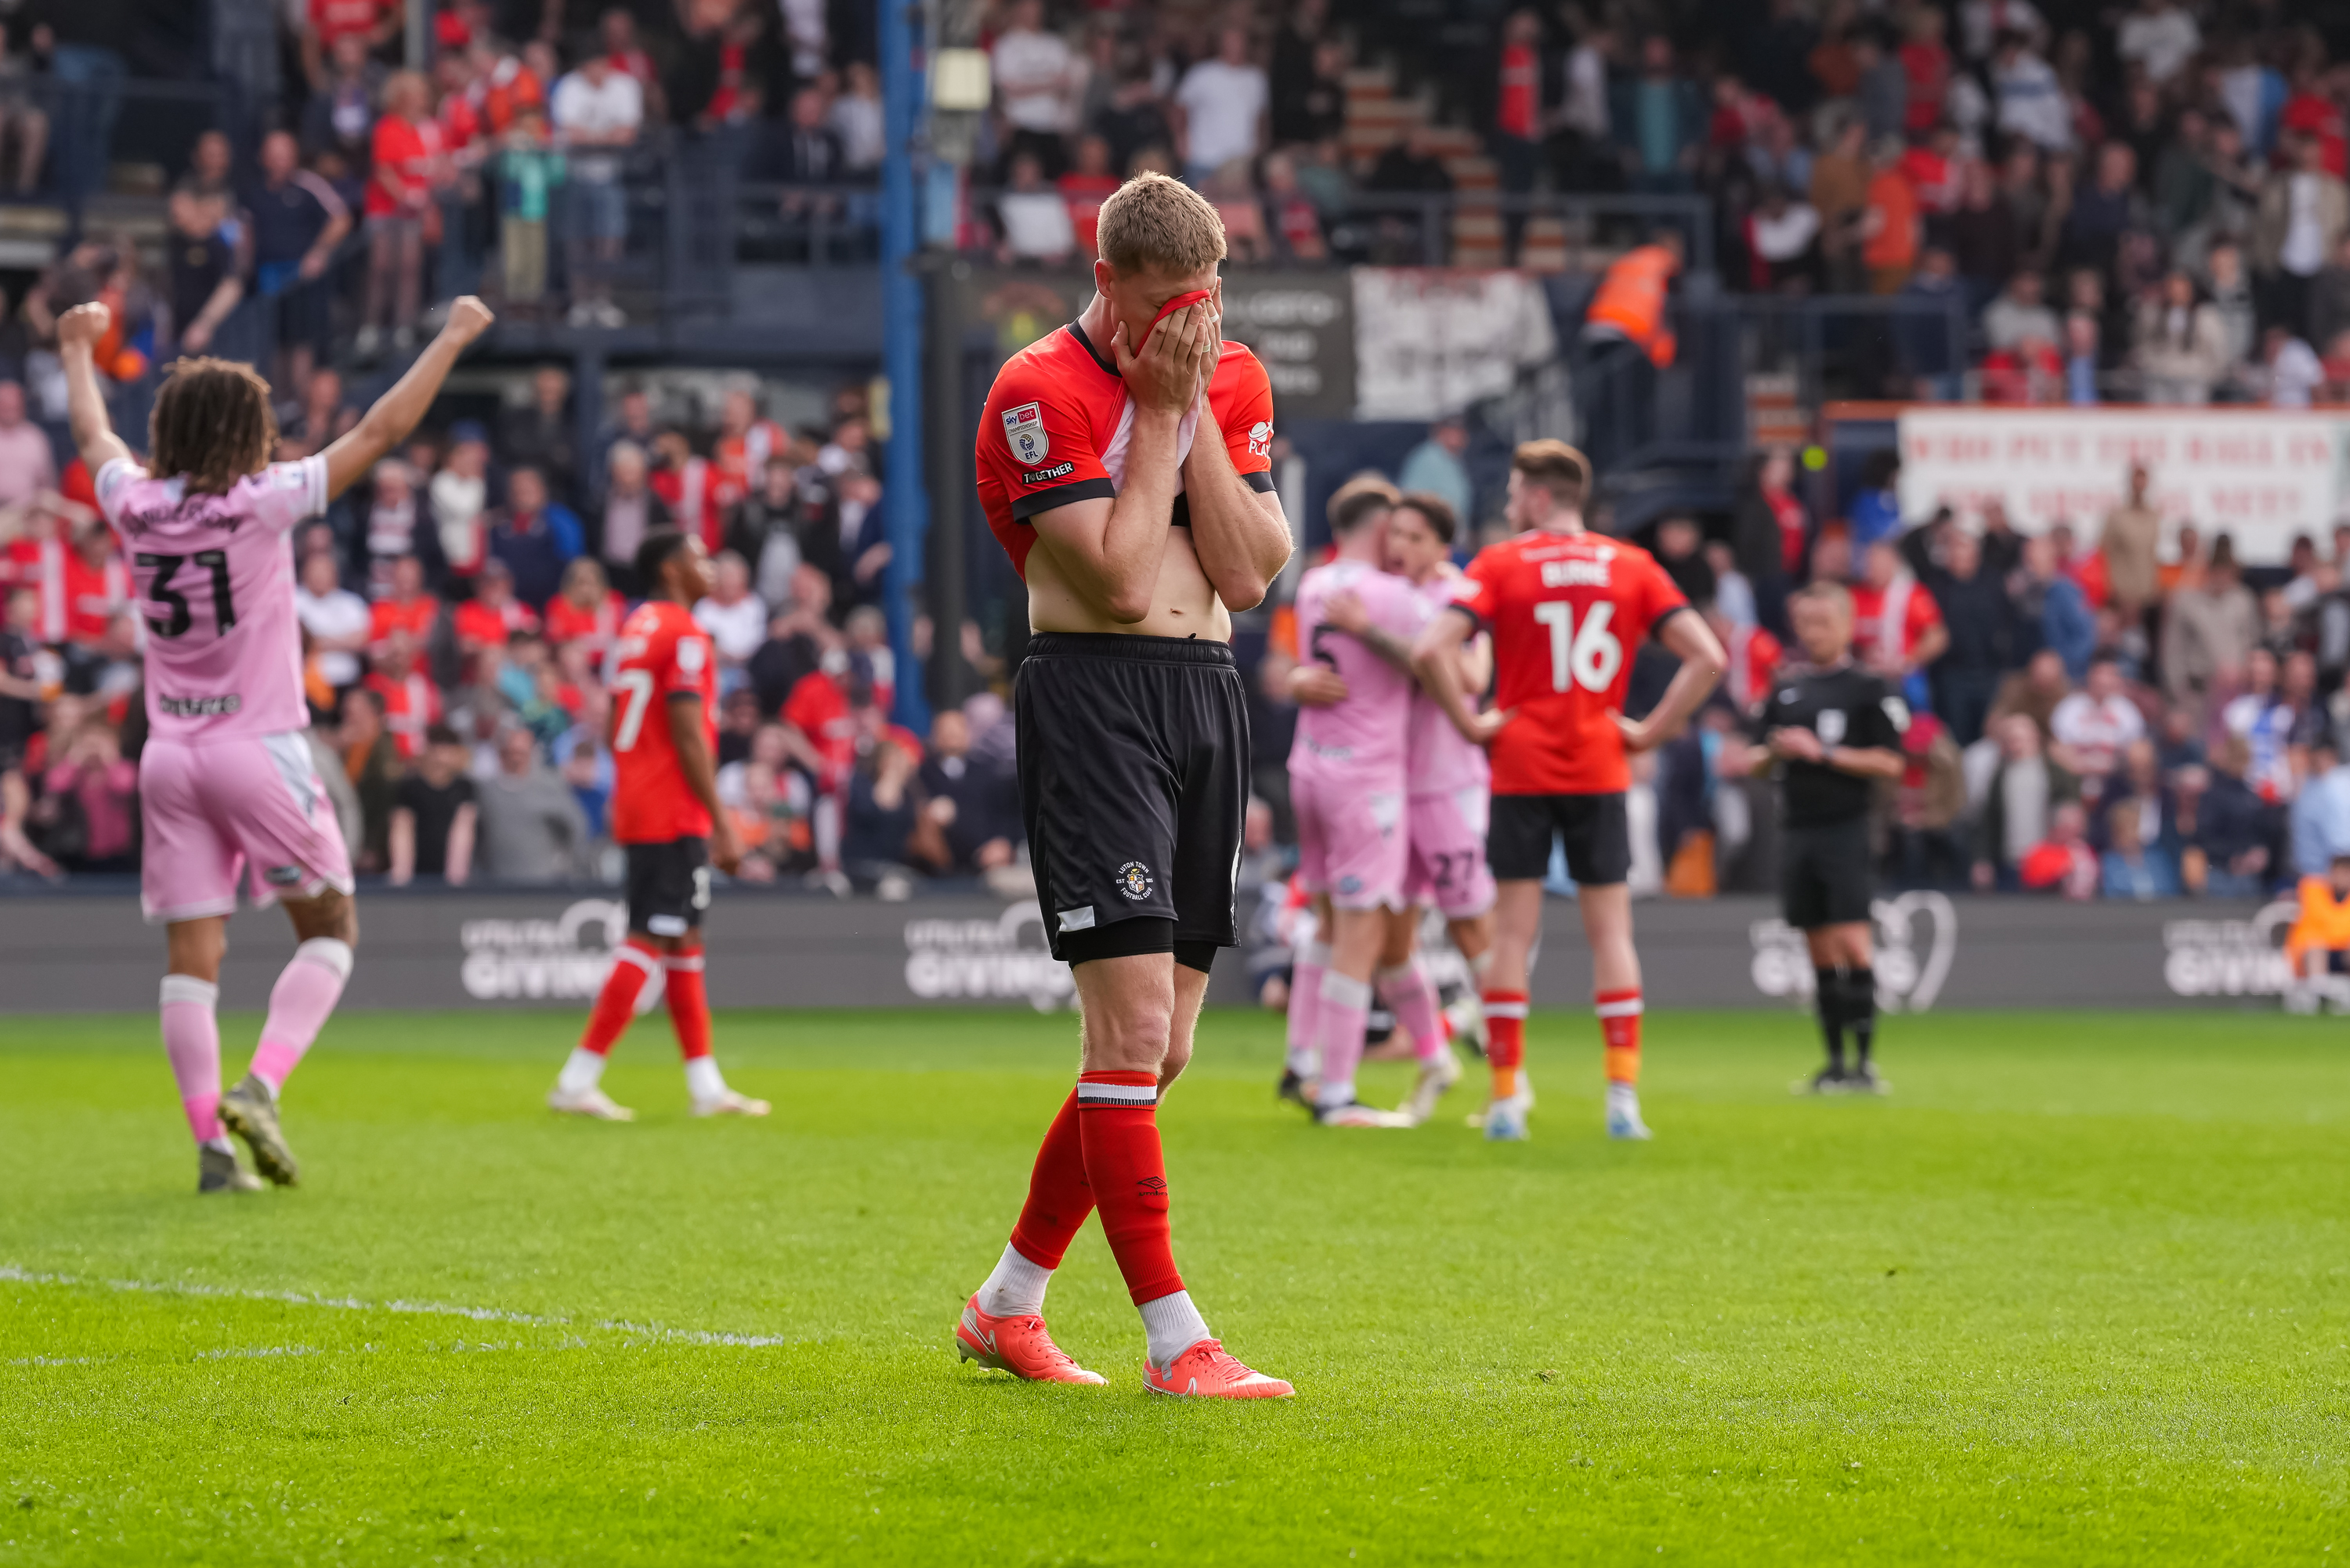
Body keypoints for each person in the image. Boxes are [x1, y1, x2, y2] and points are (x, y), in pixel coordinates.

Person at [960, 172, 1295, 1397]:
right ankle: (1176, 1340)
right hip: (1095, 693)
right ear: (1106, 282)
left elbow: (1252, 572)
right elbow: (1108, 576)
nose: (1186, 329)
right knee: (1133, 1031)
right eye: (1163, 309)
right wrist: (1159, 410)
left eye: (1202, 306)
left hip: (1207, 695)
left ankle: (1007, 1302)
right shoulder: (1035, 388)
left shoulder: (1227, 371)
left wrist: (1192, 397)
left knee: (1160, 1056)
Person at [59, 291, 495, 1194]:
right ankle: (260, 1088)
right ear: (243, 434)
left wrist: (75, 352)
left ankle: (210, 1150)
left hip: (170, 756)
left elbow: (96, 440)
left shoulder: (137, 504)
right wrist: (451, 336)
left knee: (193, 959)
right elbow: (378, 432)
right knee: (331, 927)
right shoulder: (264, 503)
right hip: (258, 745)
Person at [1410, 439, 1726, 1143]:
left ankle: (1504, 1102)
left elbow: (1432, 646)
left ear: (1542, 497)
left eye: (1516, 491)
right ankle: (1621, 1099)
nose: (1508, 504)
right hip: (1600, 763)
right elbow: (1710, 656)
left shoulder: (1501, 563)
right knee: (1611, 932)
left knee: (1513, 936)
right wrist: (1647, 732)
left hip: (1521, 764)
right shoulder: (1633, 565)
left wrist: (1469, 722)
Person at [548, 529, 767, 1123]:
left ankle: (706, 1086)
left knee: (682, 938)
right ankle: (578, 1077)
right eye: (698, 557)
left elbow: (622, 712)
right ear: (672, 570)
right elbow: (688, 729)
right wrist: (722, 822)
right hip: (672, 808)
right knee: (651, 932)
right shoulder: (685, 634)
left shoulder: (636, 626)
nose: (711, 565)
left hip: (639, 797)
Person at [1276, 476, 1426, 1129]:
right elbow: (1442, 663)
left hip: (1309, 767)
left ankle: (1300, 1061)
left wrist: (1296, 681)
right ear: (1382, 527)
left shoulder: (1313, 584)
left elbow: (1293, 668)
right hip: (1365, 781)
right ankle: (1336, 1093)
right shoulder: (1394, 595)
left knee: (1327, 922)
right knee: (1360, 936)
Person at [1746, 583, 1908, 1093]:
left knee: (1853, 943)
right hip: (1797, 829)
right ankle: (1833, 1064)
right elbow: (1752, 761)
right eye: (1806, 623)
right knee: (1816, 946)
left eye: (1822, 623)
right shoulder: (1786, 688)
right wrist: (1776, 752)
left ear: (1845, 625)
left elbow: (1892, 761)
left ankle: (1865, 1065)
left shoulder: (1869, 688)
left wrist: (1824, 754)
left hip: (1846, 828)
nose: (1813, 632)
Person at [1386, 491, 1492, 1120]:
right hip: (1392, 786)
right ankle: (1435, 1060)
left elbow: (1476, 677)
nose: (1401, 547)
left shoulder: (1462, 594)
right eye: (1396, 534)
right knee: (1389, 939)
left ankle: (1510, 1080)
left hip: (1449, 783)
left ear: (1442, 547)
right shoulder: (1390, 593)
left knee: (1470, 929)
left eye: (1416, 536)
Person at [389, 721, 478, 884]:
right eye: (436, 751)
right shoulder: (410, 787)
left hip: (451, 877)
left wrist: (456, 877)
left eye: (447, 752)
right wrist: (402, 875)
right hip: (415, 875)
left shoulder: (465, 788)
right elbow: (401, 828)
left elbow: (464, 829)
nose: (440, 759)